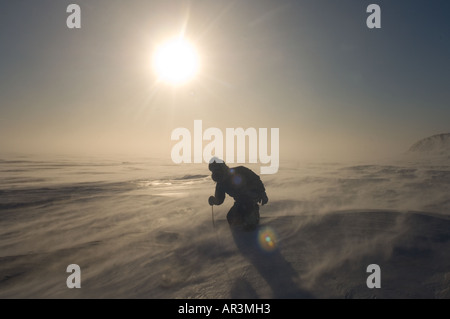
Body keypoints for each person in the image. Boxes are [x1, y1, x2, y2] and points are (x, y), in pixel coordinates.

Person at [208, 157, 268, 230]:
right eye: (214, 171)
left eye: (217, 170)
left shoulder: (240, 170)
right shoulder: (220, 183)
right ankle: (246, 215)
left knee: (249, 226)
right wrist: (213, 200)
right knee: (231, 219)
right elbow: (219, 199)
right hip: (240, 201)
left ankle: (253, 213)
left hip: (252, 198)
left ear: (223, 168)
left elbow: (256, 179)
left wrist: (262, 193)